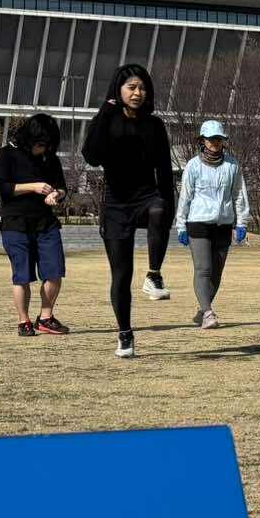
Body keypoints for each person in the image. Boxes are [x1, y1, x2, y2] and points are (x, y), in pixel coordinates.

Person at [81, 64, 175, 358]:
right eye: (131, 87)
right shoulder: (107, 120)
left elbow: (164, 171)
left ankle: (154, 275)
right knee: (121, 276)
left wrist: (170, 209)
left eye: (142, 88)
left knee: (159, 210)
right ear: (118, 90)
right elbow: (91, 156)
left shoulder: (155, 125)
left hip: (147, 197)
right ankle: (125, 334)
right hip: (116, 205)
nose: (137, 93)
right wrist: (104, 113)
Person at [0, 112, 69, 338]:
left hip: (46, 223)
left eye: (48, 145)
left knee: (55, 271)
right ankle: (23, 320)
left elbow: (62, 187)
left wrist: (57, 194)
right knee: (22, 276)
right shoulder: (5, 155)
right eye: (40, 144)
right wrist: (33, 187)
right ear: (29, 138)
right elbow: (1, 187)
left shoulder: (51, 159)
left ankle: (46, 317)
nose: (44, 149)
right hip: (15, 223)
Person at [174, 119, 249, 330]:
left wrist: (241, 222)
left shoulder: (232, 165)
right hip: (198, 222)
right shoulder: (193, 165)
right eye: (211, 139)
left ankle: (202, 308)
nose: (215, 142)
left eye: (219, 139)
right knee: (203, 269)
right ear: (203, 141)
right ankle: (208, 313)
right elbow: (185, 196)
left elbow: (239, 195)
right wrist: (181, 225)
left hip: (223, 224)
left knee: (216, 272)